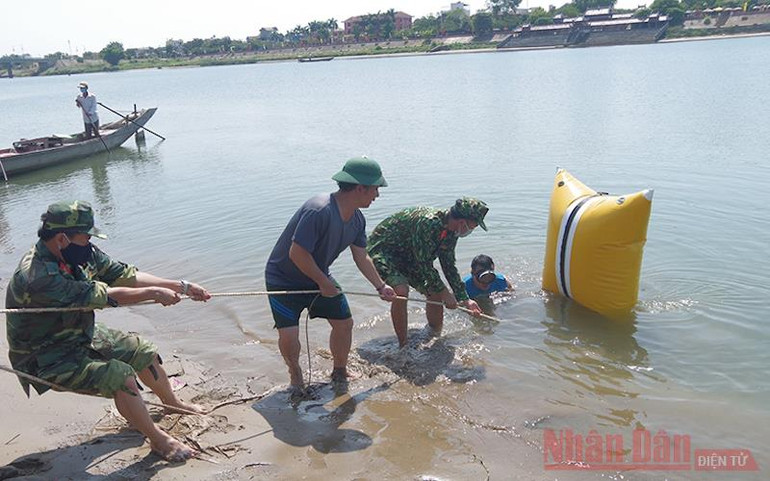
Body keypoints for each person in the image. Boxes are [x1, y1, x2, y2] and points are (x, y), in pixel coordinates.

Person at [5, 201, 211, 462]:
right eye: (86, 236)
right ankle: (159, 440)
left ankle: (173, 405)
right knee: (120, 375)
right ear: (61, 238)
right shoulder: (37, 276)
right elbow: (104, 295)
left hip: (78, 333)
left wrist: (181, 286)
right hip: (46, 356)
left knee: (142, 352)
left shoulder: (77, 251)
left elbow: (123, 275)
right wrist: (152, 294)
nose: (90, 242)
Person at [265, 157, 396, 391]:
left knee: (344, 323)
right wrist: (322, 281)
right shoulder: (319, 210)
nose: (377, 195)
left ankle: (339, 371)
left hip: (318, 275)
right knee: (289, 334)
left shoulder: (357, 219)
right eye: (375, 189)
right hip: (282, 278)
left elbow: (361, 256)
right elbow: (297, 254)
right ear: (360, 188)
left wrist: (380, 286)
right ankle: (295, 374)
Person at [367, 197, 487, 348]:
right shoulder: (428, 223)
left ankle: (434, 336)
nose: (472, 230)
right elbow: (425, 265)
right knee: (401, 291)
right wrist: (446, 294)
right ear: (463, 222)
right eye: (474, 226)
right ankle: (403, 346)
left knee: (434, 292)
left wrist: (465, 299)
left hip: (410, 254)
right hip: (384, 249)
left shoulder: (451, 232)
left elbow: (449, 266)